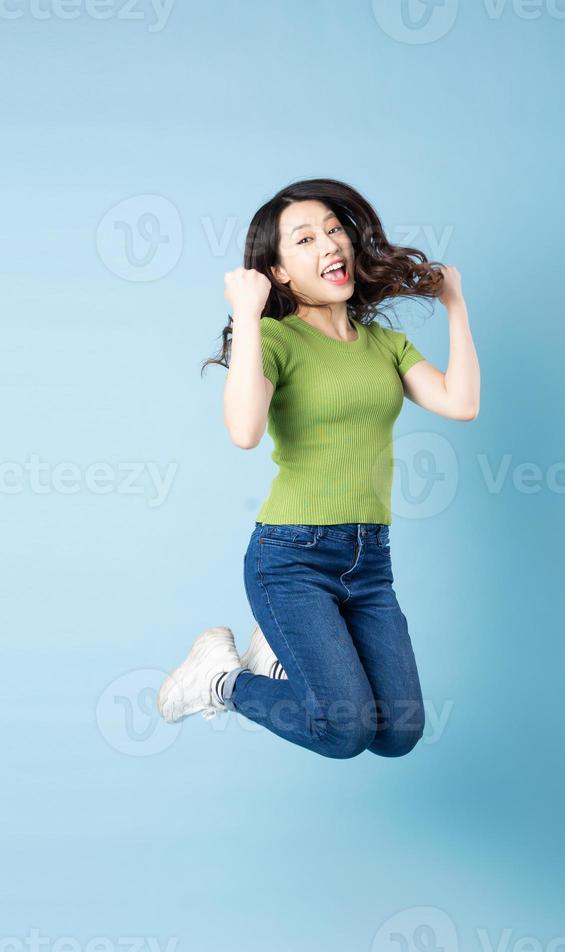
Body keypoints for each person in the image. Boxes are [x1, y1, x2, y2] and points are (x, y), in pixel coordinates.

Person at [157, 177, 480, 760]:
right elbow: (244, 431)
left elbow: (461, 402)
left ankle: (270, 655)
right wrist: (248, 314)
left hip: (370, 560)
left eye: (334, 230)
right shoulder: (276, 338)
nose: (329, 244)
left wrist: (455, 306)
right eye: (304, 239)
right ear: (278, 272)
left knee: (397, 732)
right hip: (292, 558)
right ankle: (221, 680)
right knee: (343, 731)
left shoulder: (384, 343)